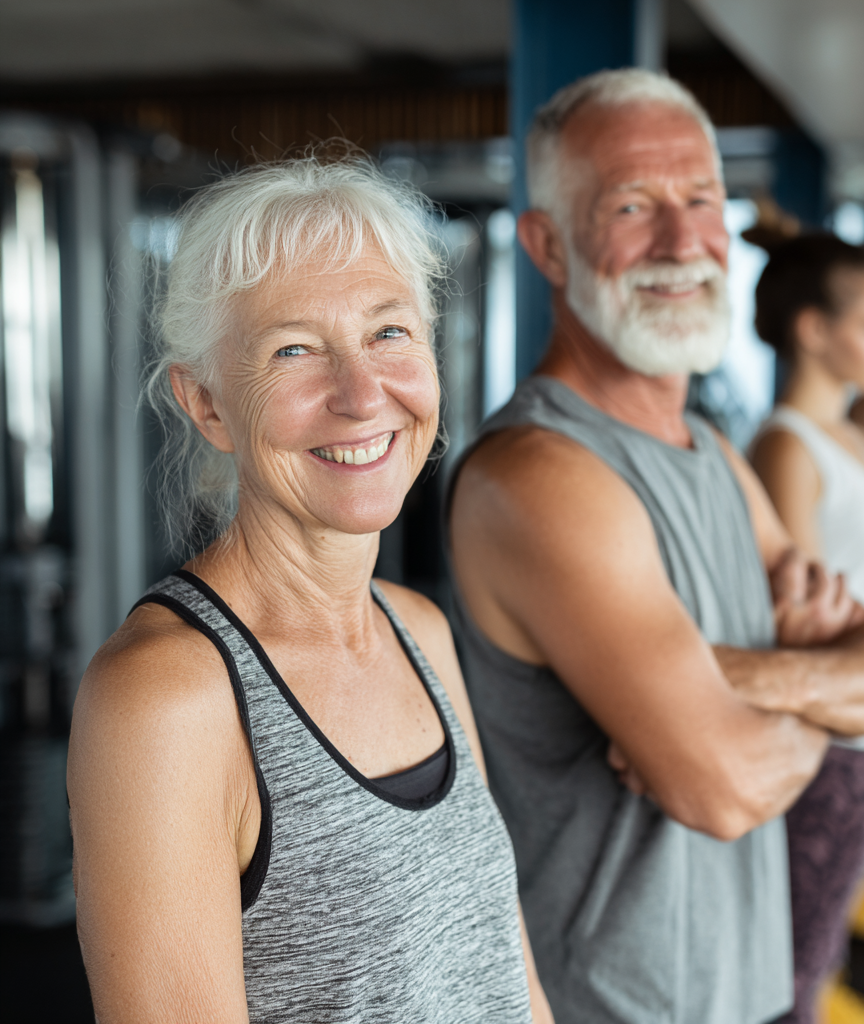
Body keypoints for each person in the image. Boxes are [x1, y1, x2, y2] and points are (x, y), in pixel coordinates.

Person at [447, 68, 864, 1024]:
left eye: (701, 199)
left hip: (743, 980)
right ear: (545, 243)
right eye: (631, 204)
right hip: (612, 1005)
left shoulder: (709, 451)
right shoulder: (540, 473)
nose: (681, 242)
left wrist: (742, 680)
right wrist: (824, 691)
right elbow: (730, 787)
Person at [67, 156, 552, 1024]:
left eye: (389, 333)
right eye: (294, 349)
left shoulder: (418, 631)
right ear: (208, 404)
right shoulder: (167, 699)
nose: (363, 395)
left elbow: (505, 973)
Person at [749, 234, 864, 1024]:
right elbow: (798, 619)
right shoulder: (787, 445)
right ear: (813, 330)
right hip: (831, 742)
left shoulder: (855, 434)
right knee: (794, 965)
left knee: (821, 942)